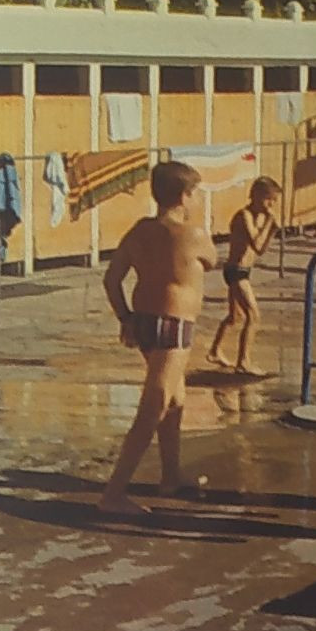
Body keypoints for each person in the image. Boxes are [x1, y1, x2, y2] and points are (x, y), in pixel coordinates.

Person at [97, 161, 219, 516]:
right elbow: (211, 260)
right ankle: (114, 494)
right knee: (155, 405)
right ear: (184, 196)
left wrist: (125, 318)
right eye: (194, 193)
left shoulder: (139, 232)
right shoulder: (192, 234)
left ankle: (171, 475)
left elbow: (111, 279)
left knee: (176, 400)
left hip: (146, 322)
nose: (196, 200)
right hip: (173, 325)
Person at [206, 176, 282, 376]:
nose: (271, 205)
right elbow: (255, 243)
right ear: (255, 195)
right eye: (268, 200)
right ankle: (244, 361)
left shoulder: (261, 218)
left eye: (274, 201)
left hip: (244, 270)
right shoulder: (244, 215)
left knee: (235, 316)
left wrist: (272, 229)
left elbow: (260, 250)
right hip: (236, 272)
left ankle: (214, 351)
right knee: (254, 316)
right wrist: (269, 224)